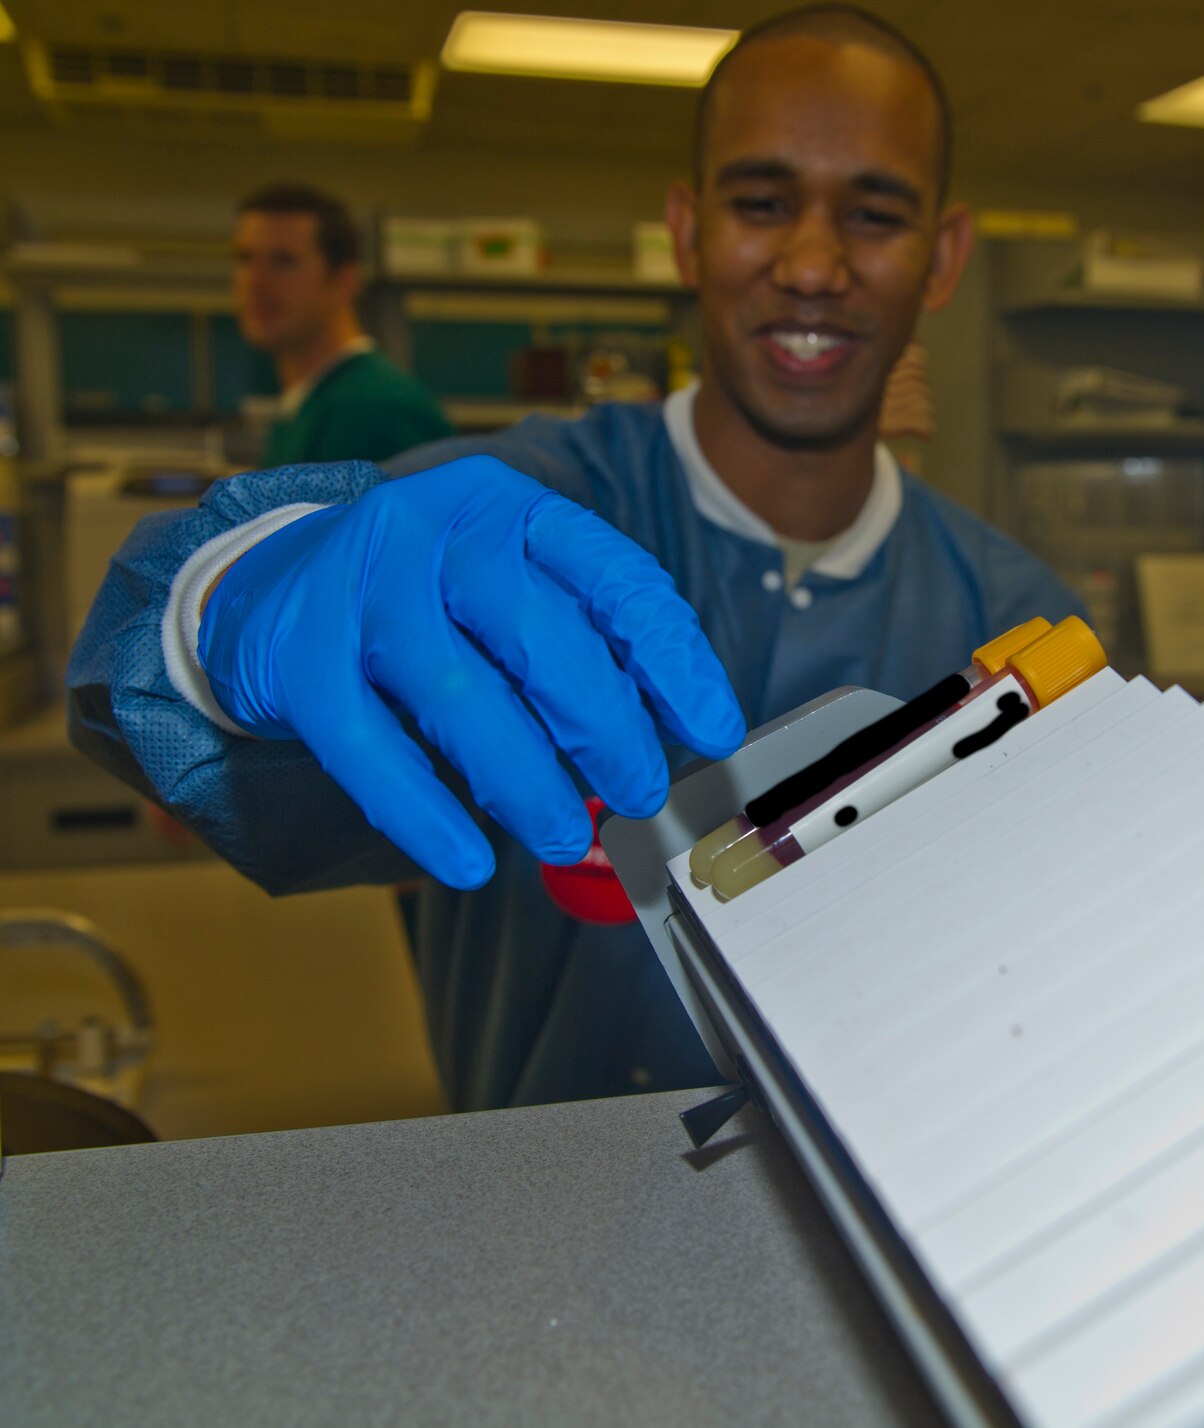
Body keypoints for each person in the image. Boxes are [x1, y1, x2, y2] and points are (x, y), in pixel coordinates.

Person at [67, 5, 1083, 1112]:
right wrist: (212, 618)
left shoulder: (1013, 618)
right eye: (760, 204)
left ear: (941, 259)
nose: (810, 264)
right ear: (688, 233)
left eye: (873, 214)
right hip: (526, 1227)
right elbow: (136, 695)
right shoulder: (521, 518)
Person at [232, 182, 452, 465]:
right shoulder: (303, 409)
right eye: (245, 259)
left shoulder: (375, 412)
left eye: (283, 261)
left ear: (344, 281)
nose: (255, 281)